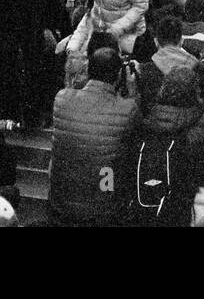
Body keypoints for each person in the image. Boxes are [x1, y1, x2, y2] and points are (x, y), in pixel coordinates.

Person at [50, 36, 141, 226]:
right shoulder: (127, 108)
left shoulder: (61, 99)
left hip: (61, 199)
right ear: (118, 76)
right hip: (103, 203)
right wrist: (132, 92)